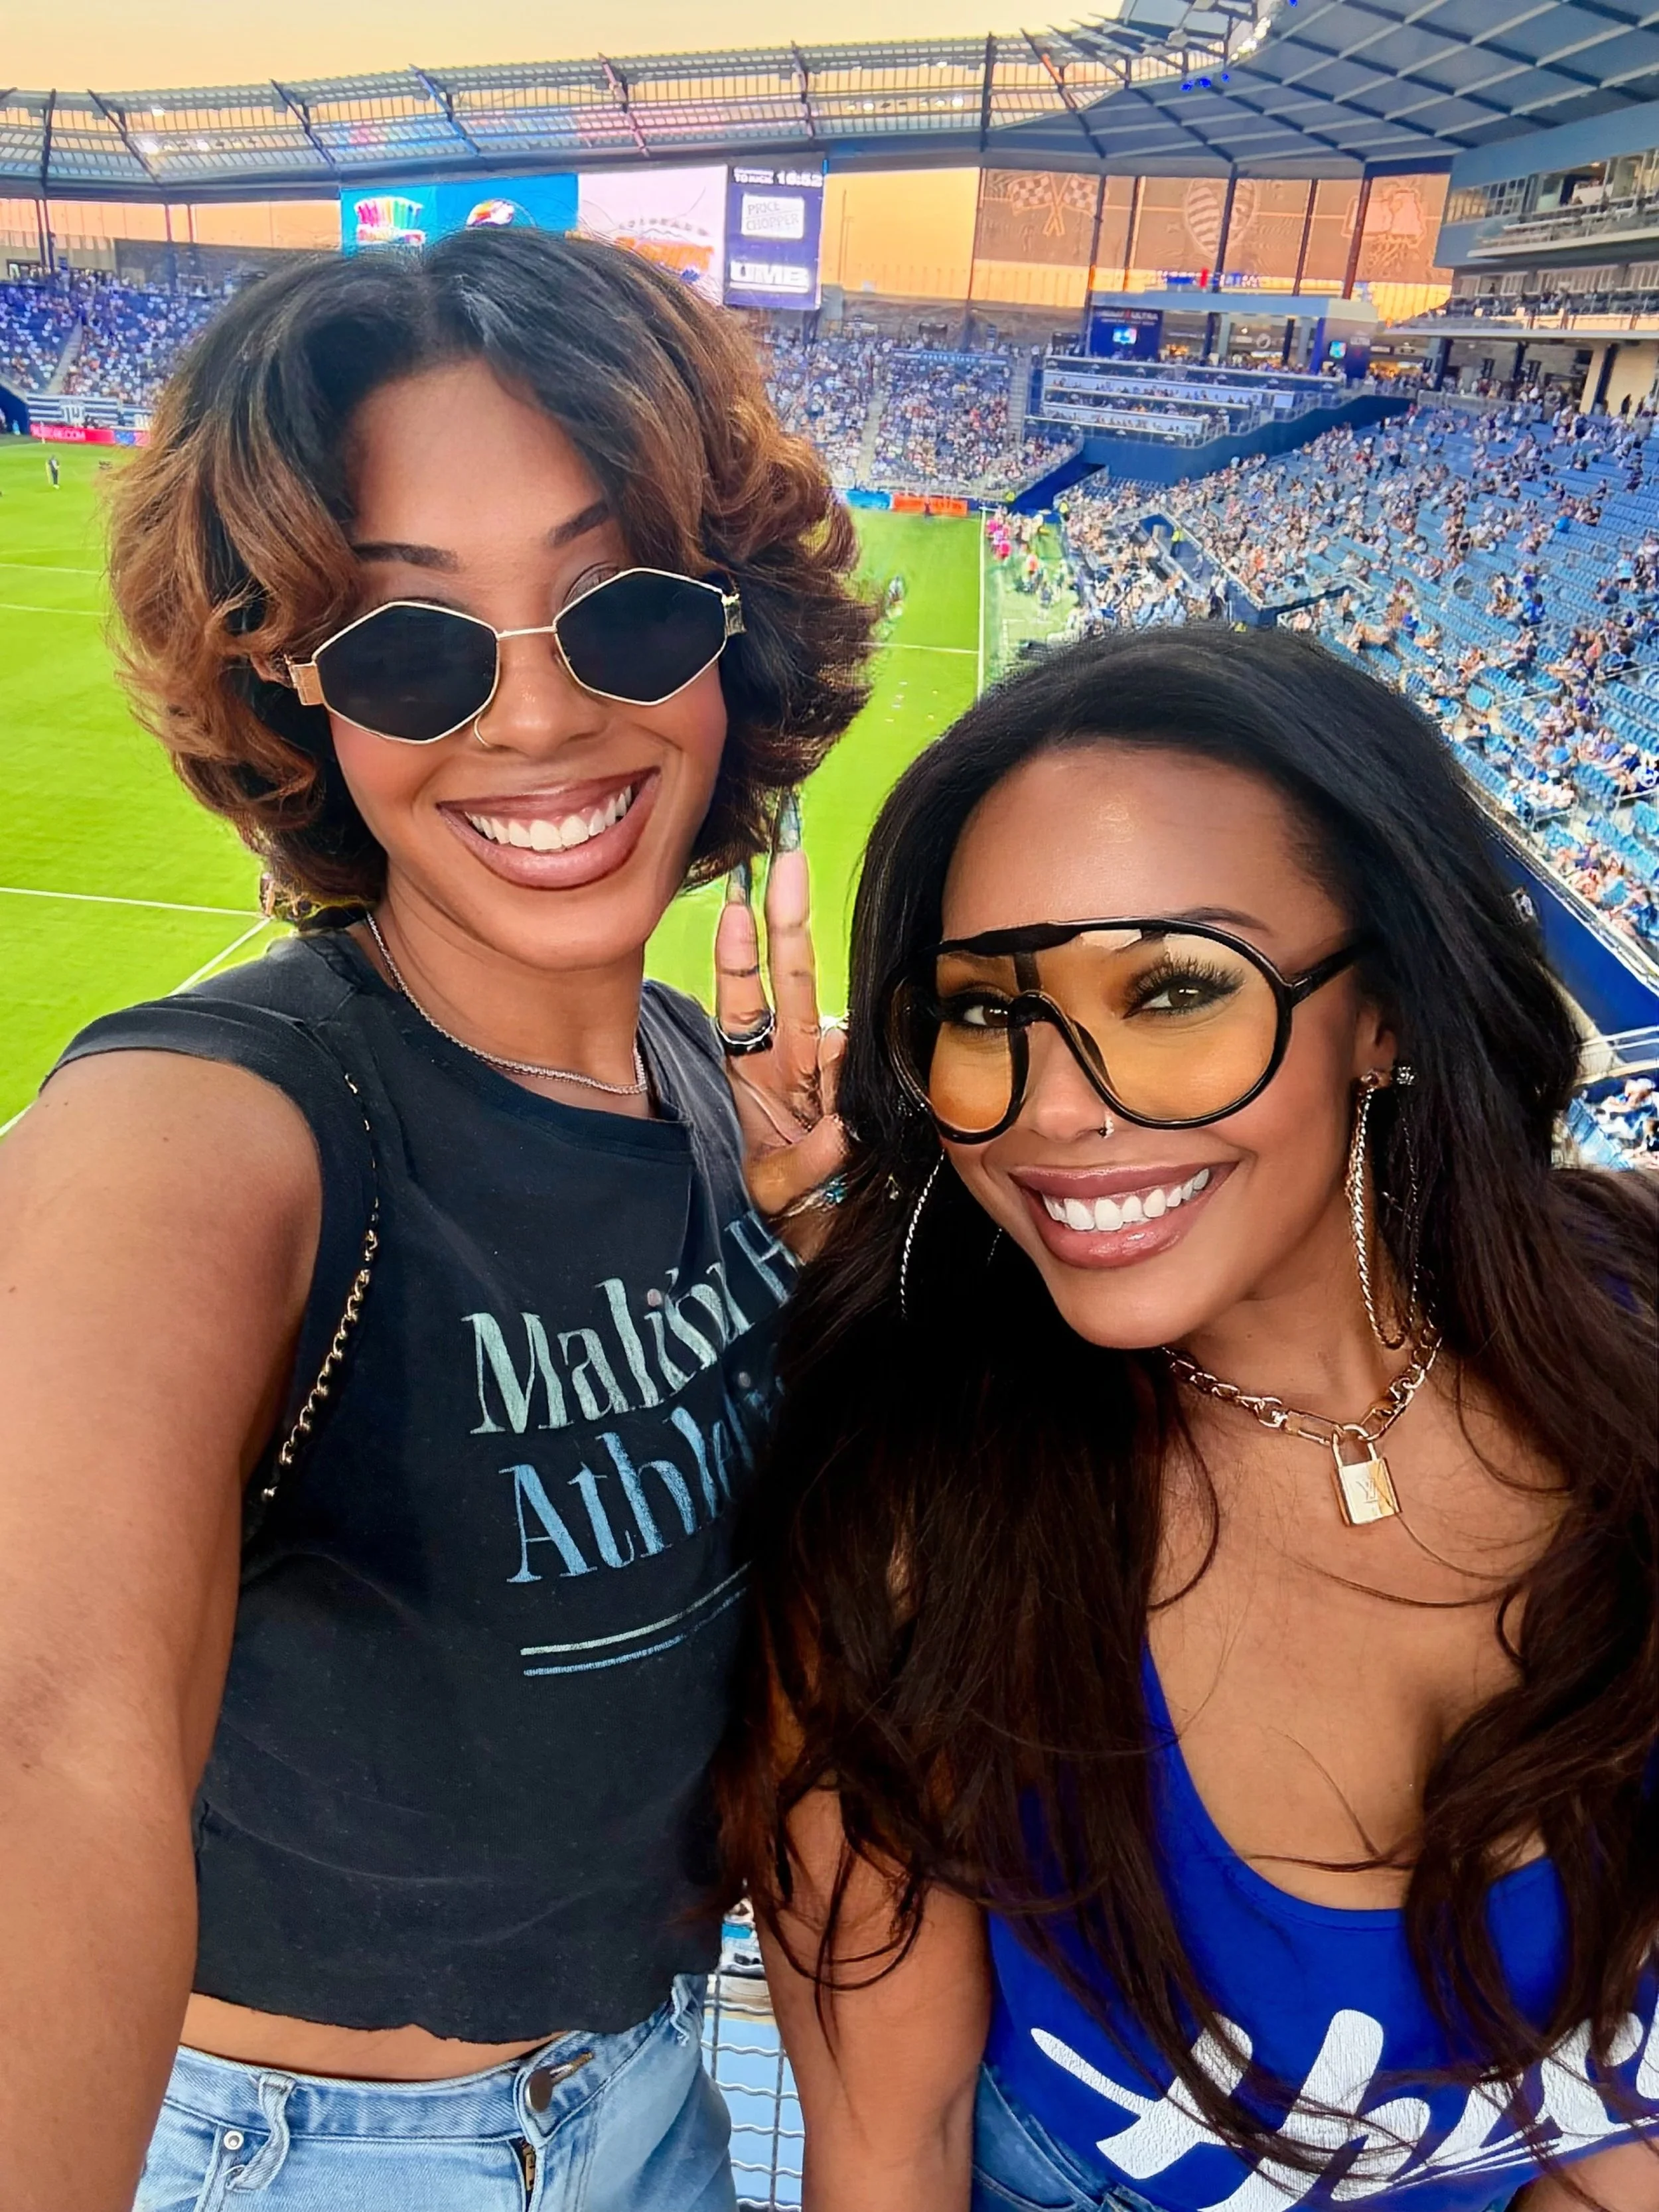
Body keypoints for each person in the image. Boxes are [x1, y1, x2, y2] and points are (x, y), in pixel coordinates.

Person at [0, 228, 871, 2212]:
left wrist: (801, 1251)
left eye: (621, 610)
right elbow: (45, 1735)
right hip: (304, 2157)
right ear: (301, 698)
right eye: (413, 646)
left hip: (648, 2099)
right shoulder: (207, 1124)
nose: (538, 717)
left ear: (728, 633)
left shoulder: (696, 1091)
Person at [721, 627, 1658, 2212]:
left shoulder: (1629, 1329)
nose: (1051, 1106)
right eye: (980, 1013)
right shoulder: (909, 1526)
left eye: (1168, 989)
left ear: (1387, 1010)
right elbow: (887, 2145)